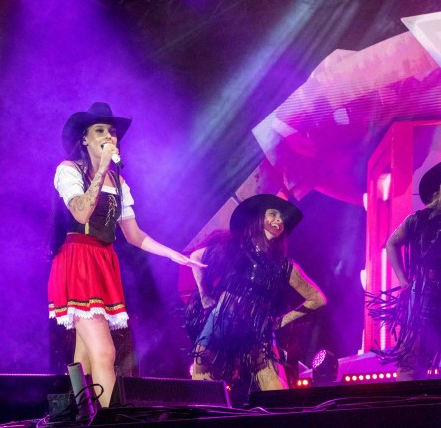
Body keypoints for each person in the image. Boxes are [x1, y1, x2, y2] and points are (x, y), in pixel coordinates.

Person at [48, 102, 205, 407]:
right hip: (78, 260)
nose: (108, 136)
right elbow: (81, 213)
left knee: (85, 352)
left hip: (103, 262)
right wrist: (101, 169)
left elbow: (134, 235)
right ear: (84, 139)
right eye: (99, 130)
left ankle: (78, 412)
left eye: (112, 131)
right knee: (105, 352)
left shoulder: (119, 183)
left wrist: (173, 255)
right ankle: (109, 418)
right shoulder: (68, 170)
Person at [186, 194, 326, 391]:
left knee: (275, 388)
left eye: (282, 218)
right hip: (221, 321)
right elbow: (195, 257)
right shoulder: (234, 248)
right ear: (259, 218)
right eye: (273, 214)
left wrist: (282, 321)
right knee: (202, 382)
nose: (279, 220)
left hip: (256, 329)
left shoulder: (284, 266)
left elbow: (317, 299)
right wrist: (204, 296)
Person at [384, 162, 441, 381]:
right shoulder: (418, 220)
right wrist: (403, 280)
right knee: (410, 364)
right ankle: (407, 401)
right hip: (423, 295)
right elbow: (392, 244)